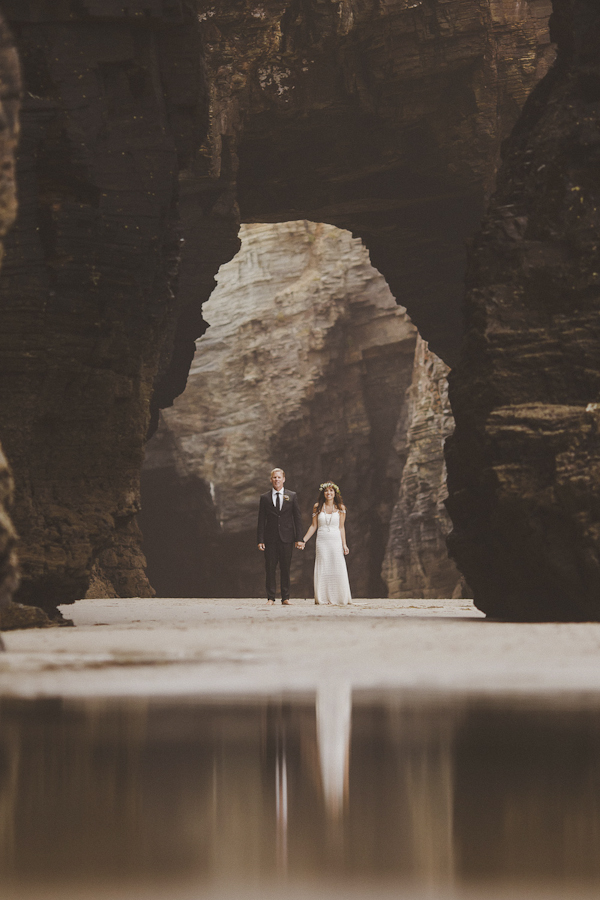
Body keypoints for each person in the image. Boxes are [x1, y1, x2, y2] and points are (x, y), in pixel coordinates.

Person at [299, 481, 351, 606]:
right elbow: (313, 526)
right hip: (322, 540)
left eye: (331, 491)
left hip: (335, 539)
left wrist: (344, 544)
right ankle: (323, 597)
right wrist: (303, 540)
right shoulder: (317, 506)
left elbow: (341, 527)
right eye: (326, 491)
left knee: (337, 566)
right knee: (324, 566)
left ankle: (339, 597)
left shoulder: (341, 508)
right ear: (323, 493)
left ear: (335, 493)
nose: (329, 493)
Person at [257, 468, 304, 605]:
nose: (276, 479)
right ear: (271, 479)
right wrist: (260, 540)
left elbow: (297, 518)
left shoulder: (292, 495)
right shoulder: (264, 497)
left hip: (287, 538)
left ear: (284, 479)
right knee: (270, 568)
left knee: (285, 567)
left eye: (279, 477)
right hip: (270, 538)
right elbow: (261, 520)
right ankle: (271, 598)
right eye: (274, 477)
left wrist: (299, 538)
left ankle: (285, 597)